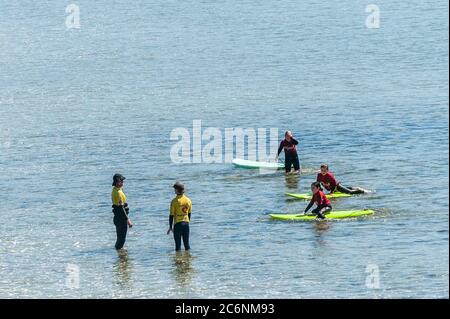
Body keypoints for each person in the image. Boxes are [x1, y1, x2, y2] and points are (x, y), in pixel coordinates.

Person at [167, 182, 192, 251]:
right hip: (186, 224)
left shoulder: (174, 201)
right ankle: (188, 259)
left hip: (178, 224)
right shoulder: (188, 200)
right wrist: (187, 222)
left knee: (178, 246)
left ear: (177, 190)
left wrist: (170, 227)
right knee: (187, 244)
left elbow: (171, 215)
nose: (174, 190)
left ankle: (178, 260)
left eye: (175, 189)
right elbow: (189, 213)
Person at [111, 174, 133, 250]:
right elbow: (121, 209)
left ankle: (119, 254)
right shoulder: (118, 193)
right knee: (121, 239)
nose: (123, 182)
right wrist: (128, 220)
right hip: (121, 218)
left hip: (118, 217)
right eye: (121, 181)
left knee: (120, 238)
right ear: (117, 182)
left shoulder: (116, 189)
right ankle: (120, 256)